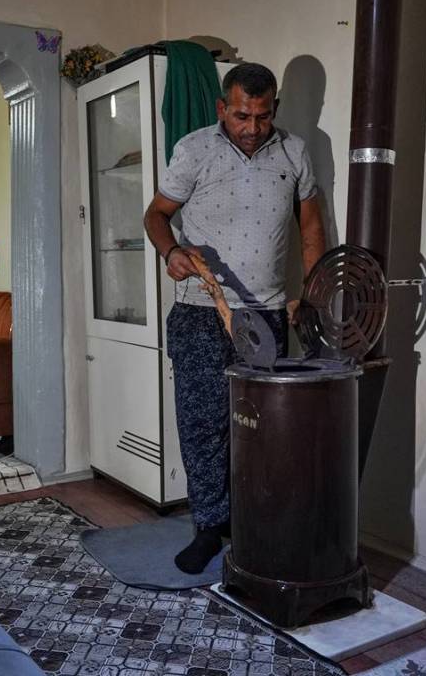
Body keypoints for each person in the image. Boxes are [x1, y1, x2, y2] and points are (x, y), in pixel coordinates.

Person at [143, 63, 327, 574]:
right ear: (223, 108)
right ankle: (208, 525)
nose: (252, 127)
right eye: (242, 115)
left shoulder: (294, 152)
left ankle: (253, 522)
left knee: (263, 427)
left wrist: (311, 293)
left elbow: (311, 227)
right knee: (203, 425)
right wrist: (171, 251)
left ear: (275, 110)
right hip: (201, 312)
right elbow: (155, 215)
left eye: (263, 117)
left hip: (266, 315)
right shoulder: (194, 149)